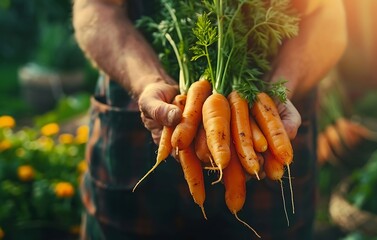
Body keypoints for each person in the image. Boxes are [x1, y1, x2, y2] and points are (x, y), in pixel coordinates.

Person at [72, 0, 347, 239]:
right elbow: (97, 5)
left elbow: (328, 16)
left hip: (271, 127)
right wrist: (148, 81)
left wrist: (277, 91)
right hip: (138, 128)